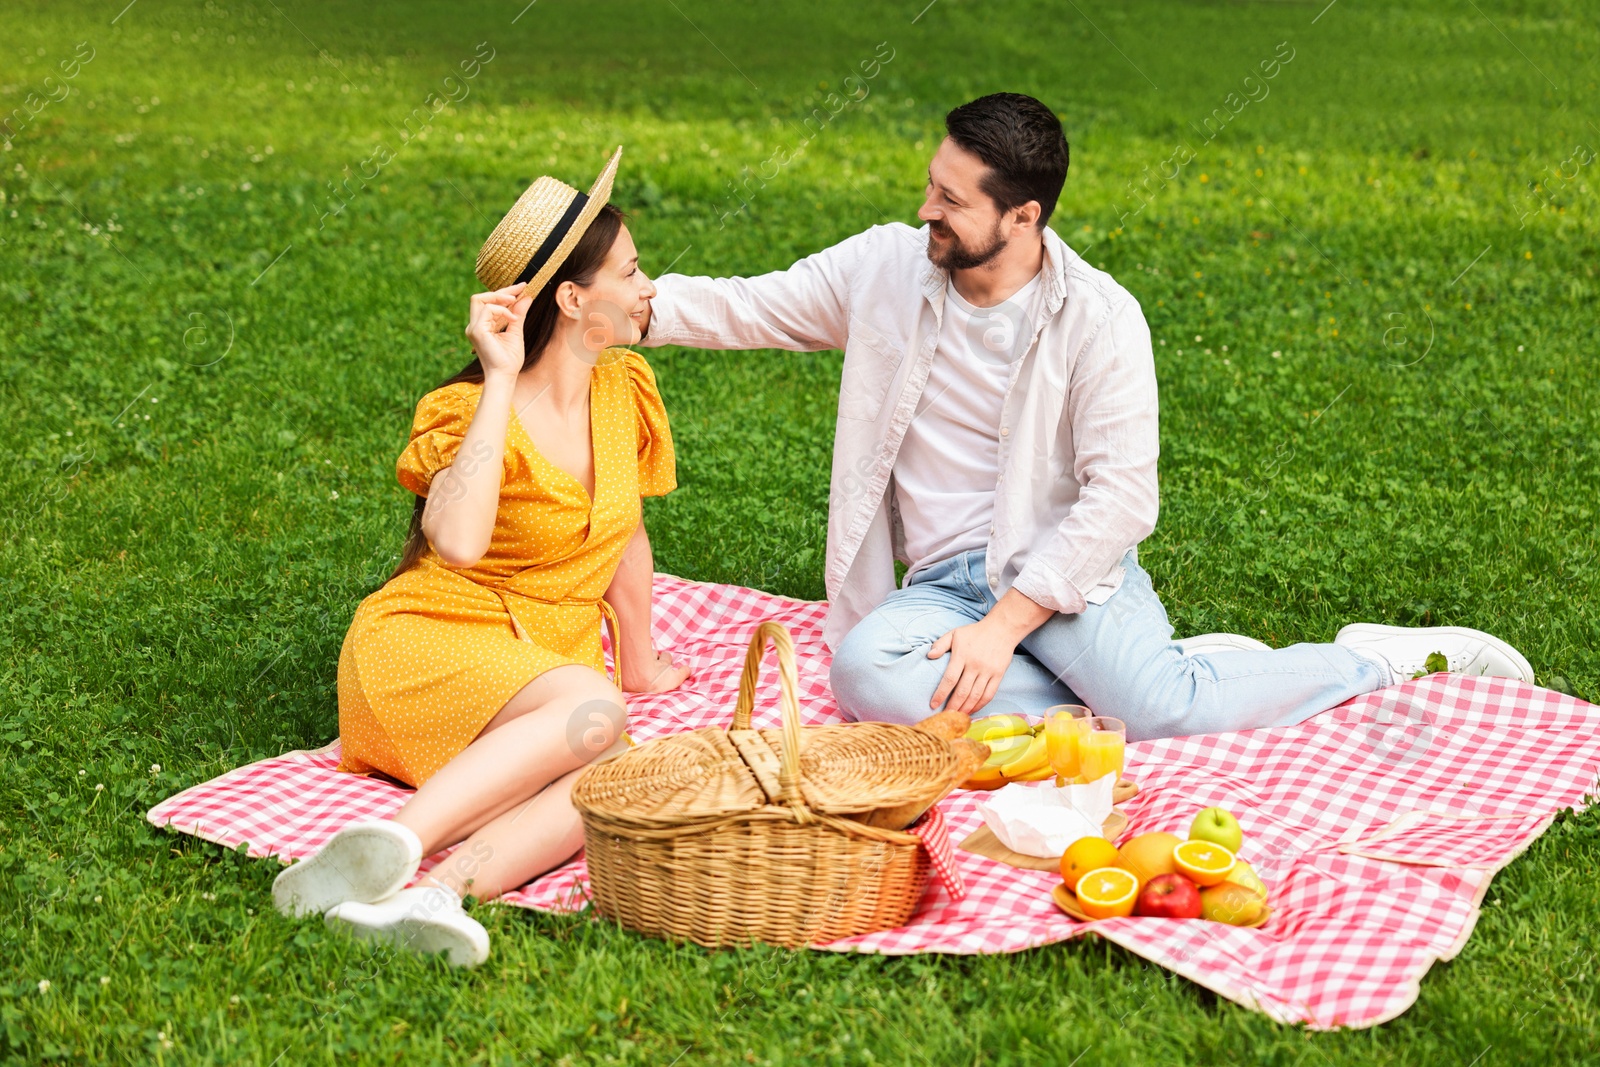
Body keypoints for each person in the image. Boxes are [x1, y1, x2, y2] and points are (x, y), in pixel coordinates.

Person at [637, 93, 1533, 738]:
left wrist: (1000, 630)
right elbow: (751, 304)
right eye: (930, 187)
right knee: (864, 676)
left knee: (1169, 715)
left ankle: (1368, 661)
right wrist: (631, 310)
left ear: (1023, 215)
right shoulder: (886, 268)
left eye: (951, 201)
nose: (926, 212)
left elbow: (1120, 501)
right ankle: (1149, 676)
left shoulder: (1101, 318)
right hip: (944, 583)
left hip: (1059, 573)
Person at [272, 147, 690, 966]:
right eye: (634, 270)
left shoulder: (623, 386)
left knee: (608, 773)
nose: (650, 289)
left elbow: (624, 531)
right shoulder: (466, 408)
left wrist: (638, 662)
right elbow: (456, 542)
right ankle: (391, 840)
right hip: (423, 646)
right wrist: (501, 380)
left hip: (531, 694)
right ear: (573, 299)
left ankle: (438, 895)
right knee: (593, 706)